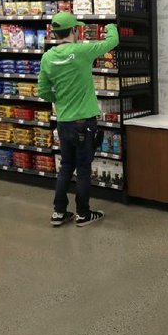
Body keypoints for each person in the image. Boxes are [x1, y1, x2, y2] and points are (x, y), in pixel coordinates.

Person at [37, 12, 119, 227]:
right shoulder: (82, 51)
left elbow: (43, 91)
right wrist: (111, 24)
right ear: (74, 30)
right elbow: (113, 41)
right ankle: (83, 214)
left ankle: (59, 212)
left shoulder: (47, 57)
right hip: (84, 121)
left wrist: (60, 100)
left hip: (63, 121)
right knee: (83, 169)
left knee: (66, 166)